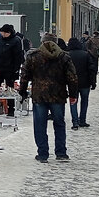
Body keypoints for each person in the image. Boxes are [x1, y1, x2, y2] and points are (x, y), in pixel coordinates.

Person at [18, 33, 78, 162]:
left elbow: (24, 75)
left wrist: (22, 91)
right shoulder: (64, 57)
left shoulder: (33, 56)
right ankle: (61, 152)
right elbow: (72, 77)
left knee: (40, 125)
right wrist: (73, 94)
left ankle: (43, 153)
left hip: (39, 95)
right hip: (58, 95)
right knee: (59, 124)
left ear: (42, 42)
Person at [0, 24, 25, 117]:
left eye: (5, 33)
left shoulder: (16, 41)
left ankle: (11, 110)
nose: (3, 34)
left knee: (10, 90)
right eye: (2, 32)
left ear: (9, 33)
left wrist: (16, 69)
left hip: (10, 69)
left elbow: (18, 56)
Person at [65, 36, 97, 129]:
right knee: (84, 101)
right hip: (85, 83)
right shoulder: (86, 54)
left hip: (72, 83)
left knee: (73, 102)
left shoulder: (67, 55)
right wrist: (93, 82)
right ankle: (82, 120)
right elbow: (92, 69)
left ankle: (75, 122)